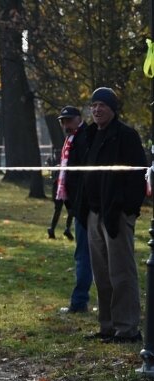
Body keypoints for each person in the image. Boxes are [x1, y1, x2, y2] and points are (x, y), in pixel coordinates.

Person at [78, 87, 148, 343]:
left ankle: (127, 328)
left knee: (121, 272)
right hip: (94, 213)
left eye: (102, 106)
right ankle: (107, 326)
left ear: (112, 109)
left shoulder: (126, 136)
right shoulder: (89, 135)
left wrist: (127, 209)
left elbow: (137, 175)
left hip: (116, 213)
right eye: (94, 105)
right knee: (102, 273)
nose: (97, 110)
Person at [54, 105, 92, 313]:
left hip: (84, 206)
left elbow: (82, 176)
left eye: (69, 120)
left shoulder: (83, 139)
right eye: (63, 121)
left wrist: (78, 203)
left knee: (84, 254)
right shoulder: (71, 139)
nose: (65, 124)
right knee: (84, 254)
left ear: (79, 119)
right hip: (76, 205)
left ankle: (79, 302)